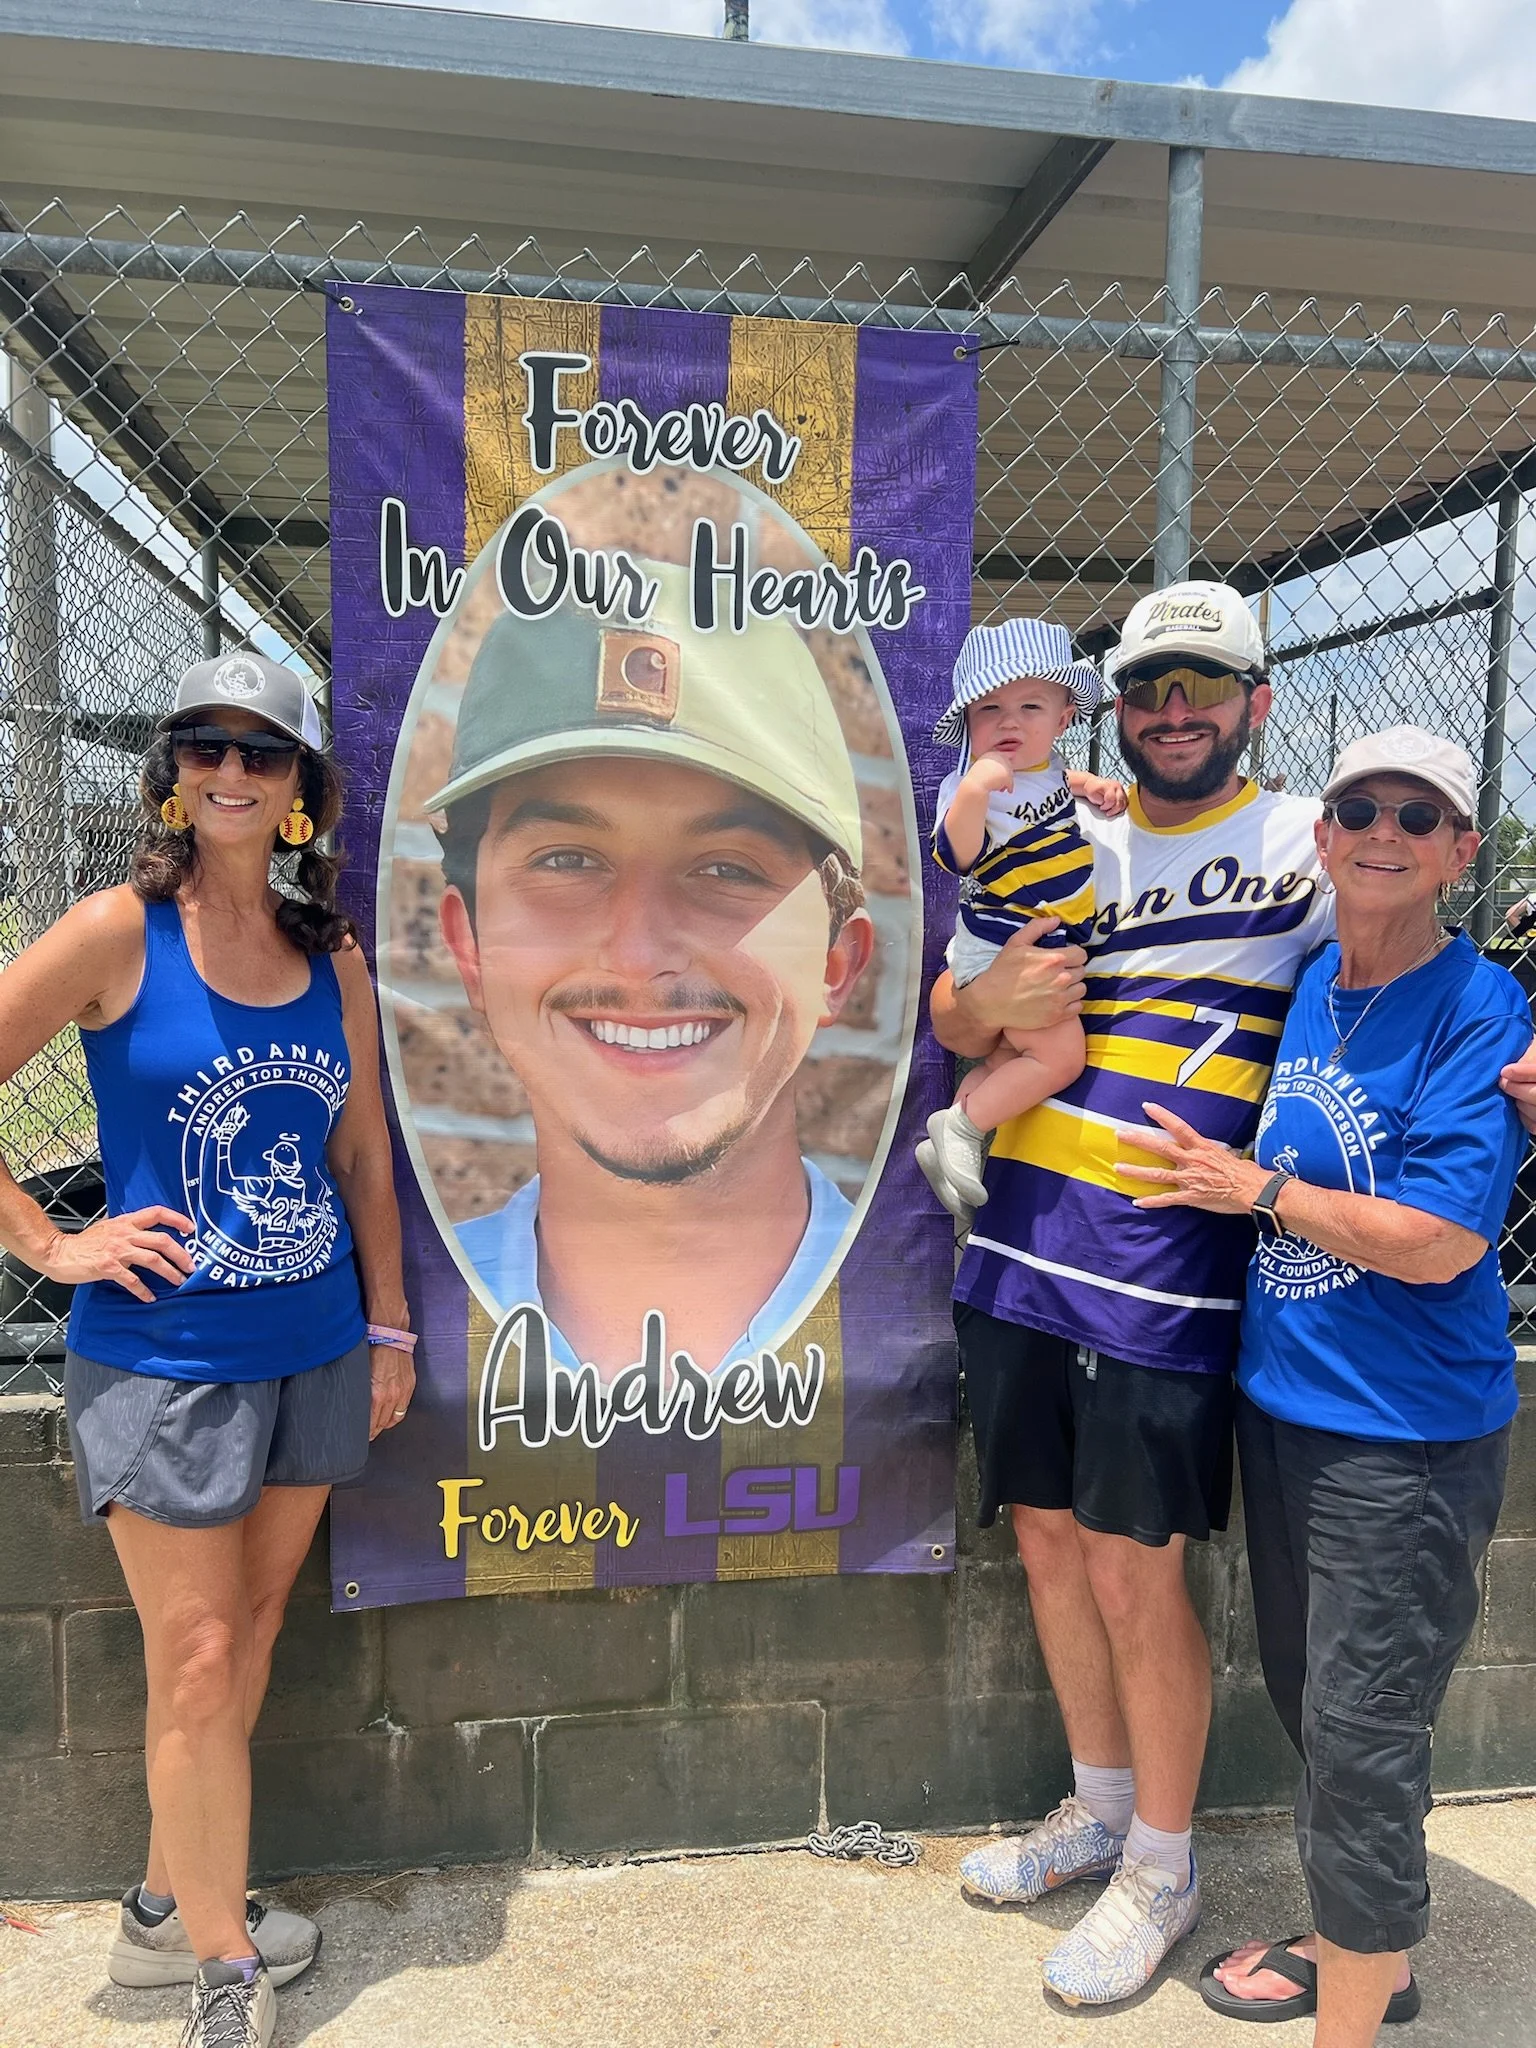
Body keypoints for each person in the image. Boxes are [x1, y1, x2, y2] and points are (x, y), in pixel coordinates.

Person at [0, 653, 415, 2048]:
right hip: (162, 1359)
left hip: (311, 1348)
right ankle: (224, 1971)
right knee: (192, 1657)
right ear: (173, 771)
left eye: (264, 752)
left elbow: (362, 1152)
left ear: (303, 787)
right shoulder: (121, 931)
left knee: (245, 1643)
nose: (233, 773)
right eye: (206, 747)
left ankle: (166, 1911)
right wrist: (53, 1248)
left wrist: (391, 1322)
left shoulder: (331, 956)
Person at [940, 580, 1338, 2007]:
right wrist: (993, 1005)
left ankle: (1162, 1868)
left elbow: (1413, 967)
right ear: (1118, 707)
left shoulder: (1311, 842)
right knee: (1046, 1539)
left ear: (1256, 704)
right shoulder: (1068, 826)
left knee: (1133, 1558)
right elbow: (952, 1010)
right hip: (1016, 1235)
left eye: (1205, 688)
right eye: (1152, 688)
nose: (1176, 713)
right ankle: (1099, 1807)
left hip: (1165, 1269)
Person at [1120, 728, 1529, 2048]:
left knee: (1361, 1740)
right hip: (1286, 1411)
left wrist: (1265, 1192)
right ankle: (1370, 1955)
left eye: (1422, 814)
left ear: (1463, 852)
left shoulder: (1479, 1008)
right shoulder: (1308, 980)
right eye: (1361, 807)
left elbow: (1445, 1241)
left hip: (1404, 1438)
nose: (1385, 830)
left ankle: (1346, 2022)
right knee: (1314, 1705)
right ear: (1325, 833)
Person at [429, 561, 876, 1379]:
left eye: (728, 870)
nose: (639, 956)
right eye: (568, 860)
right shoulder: (400, 1317)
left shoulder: (921, 1305)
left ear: (836, 963)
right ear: (471, 948)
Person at [918, 618, 1122, 1220]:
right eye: (991, 708)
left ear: (1063, 721)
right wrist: (975, 794)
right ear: (968, 724)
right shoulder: (969, 781)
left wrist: (1096, 787)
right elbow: (955, 854)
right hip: (1004, 944)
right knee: (1061, 1059)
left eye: (1031, 705)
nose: (1010, 721)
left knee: (1013, 1057)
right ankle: (964, 1126)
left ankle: (952, 1138)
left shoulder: (1053, 771)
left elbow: (1067, 784)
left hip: (1042, 943)